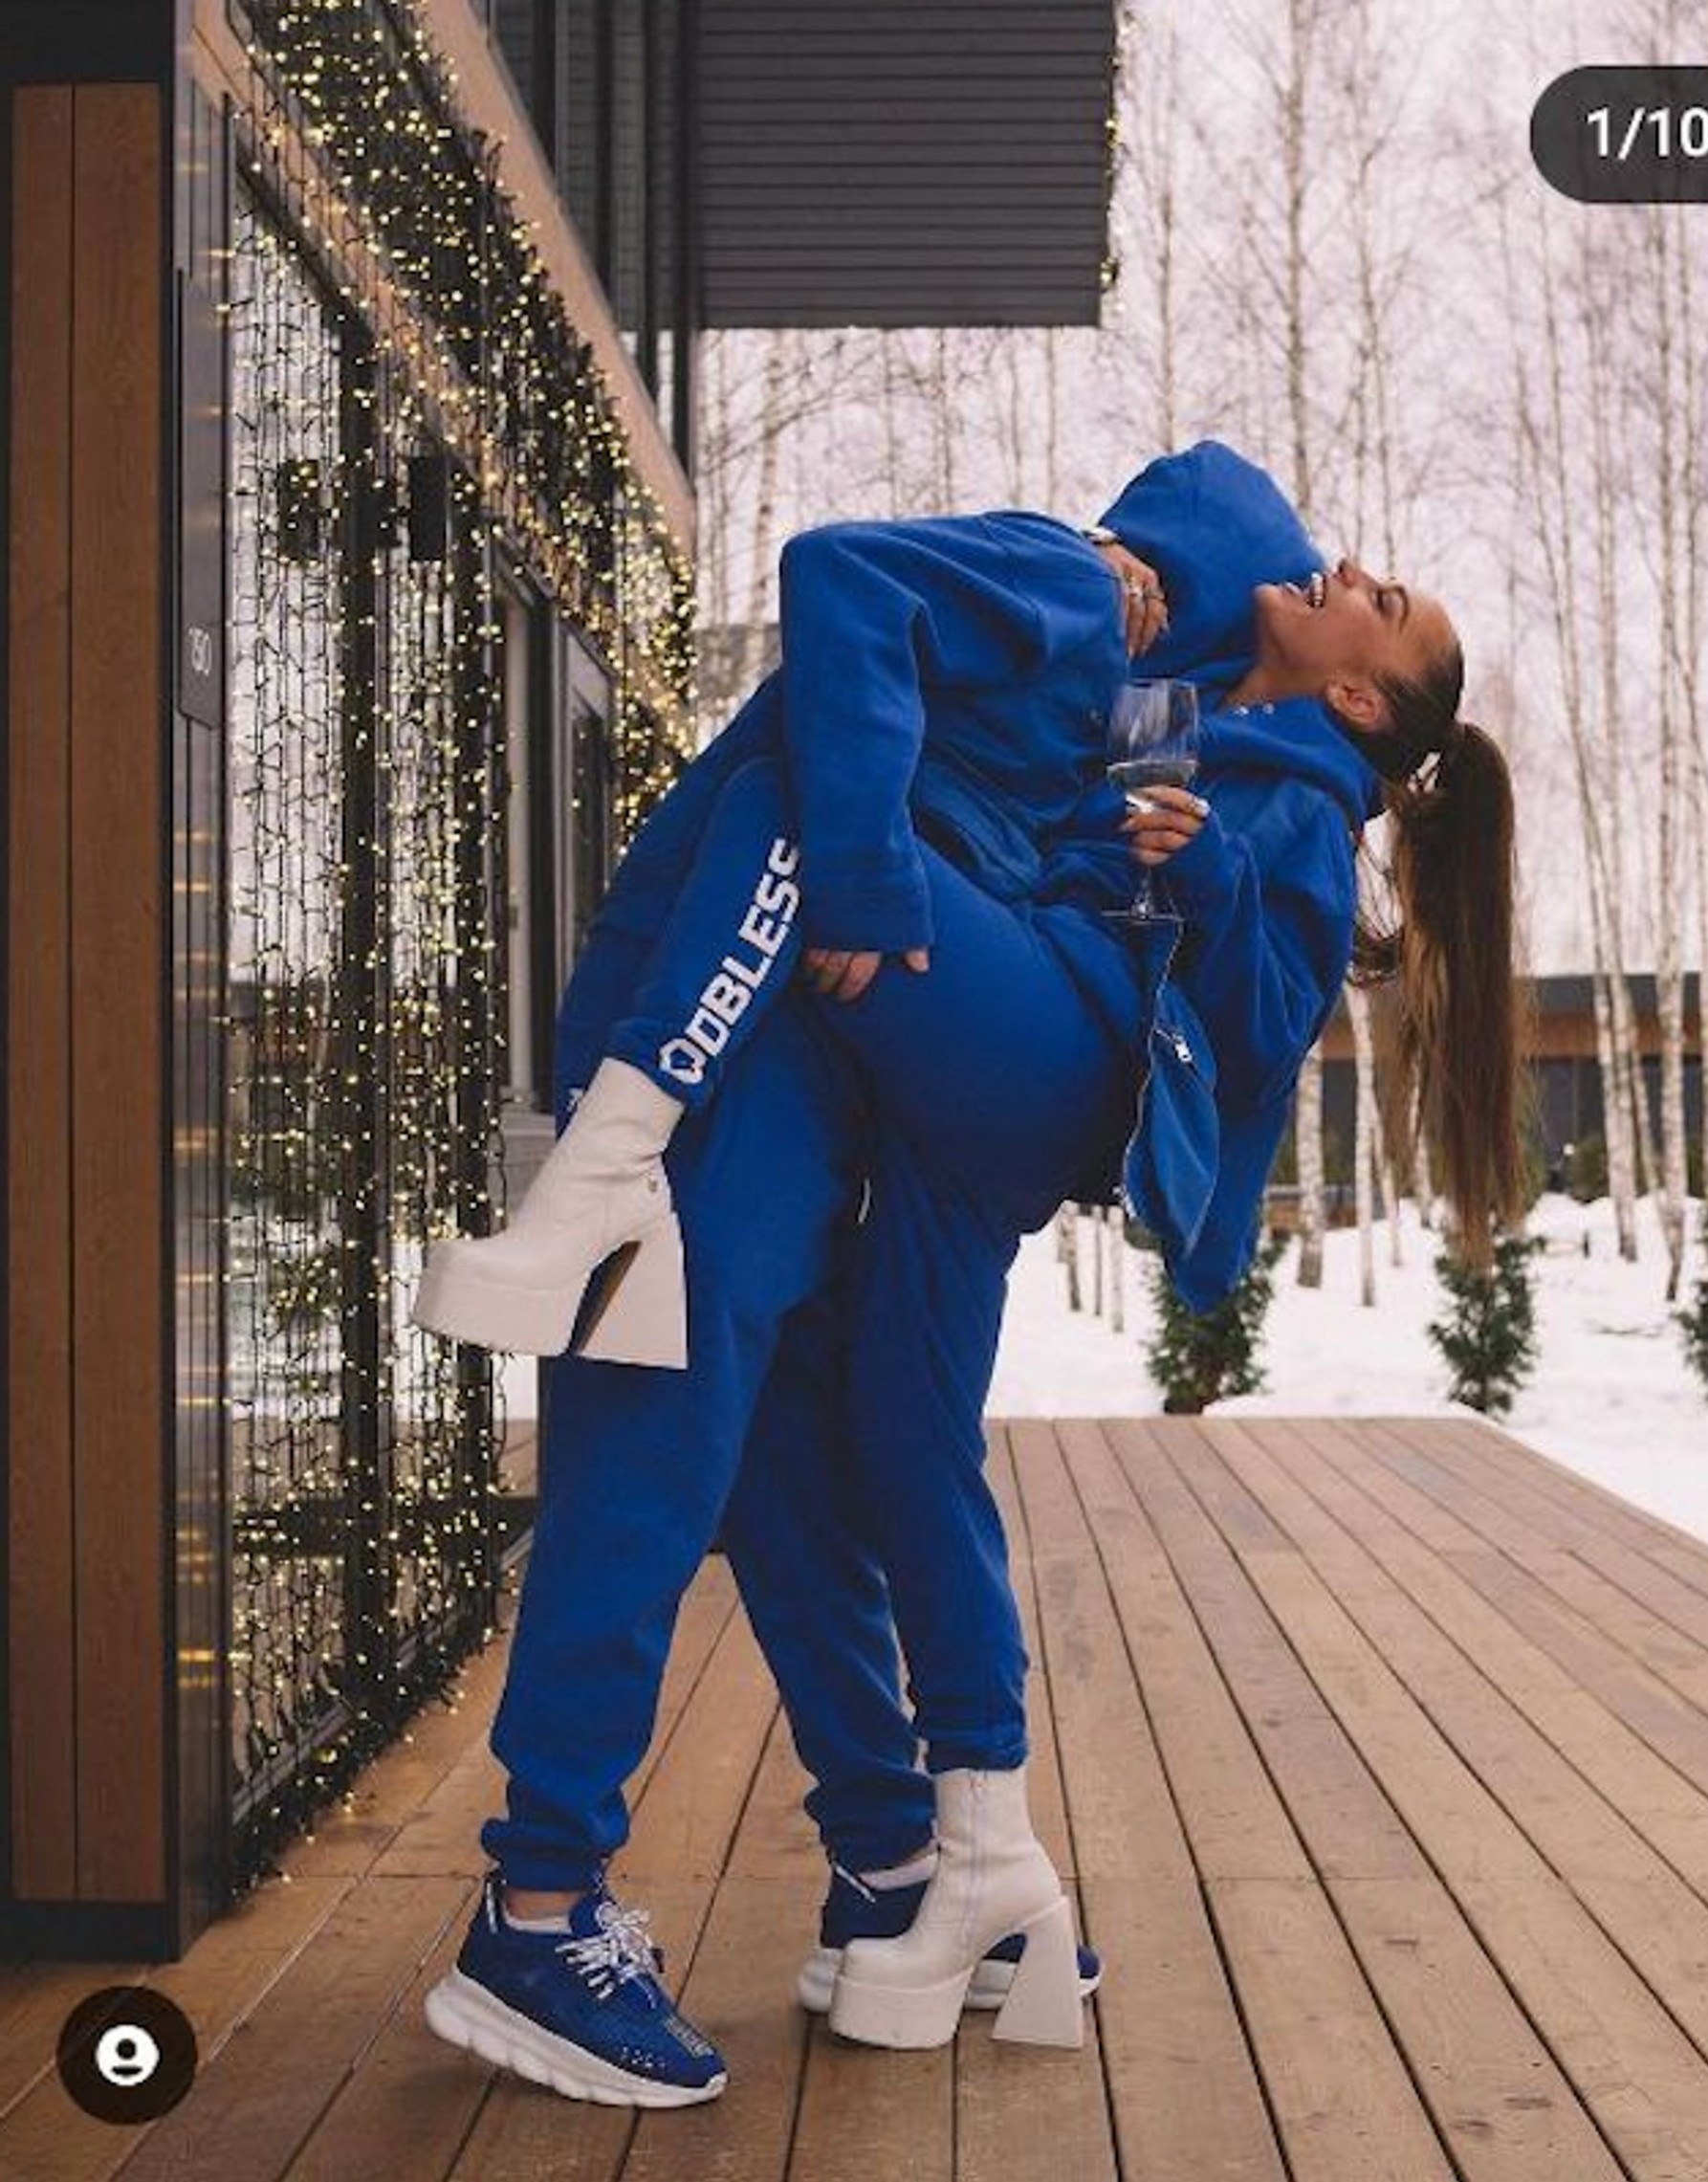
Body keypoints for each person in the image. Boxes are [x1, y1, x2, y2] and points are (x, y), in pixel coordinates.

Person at [410, 441, 1526, 2102]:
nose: (1343, 566)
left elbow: (1222, 969)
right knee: (776, 1449)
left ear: (1360, 692)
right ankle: (825, 1868)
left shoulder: (1213, 724)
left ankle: (610, 1885)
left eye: (1378, 592)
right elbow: (1011, 620)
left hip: (835, 1037)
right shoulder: (1108, 622)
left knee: (735, 1437)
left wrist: (1137, 850)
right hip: (752, 1031)